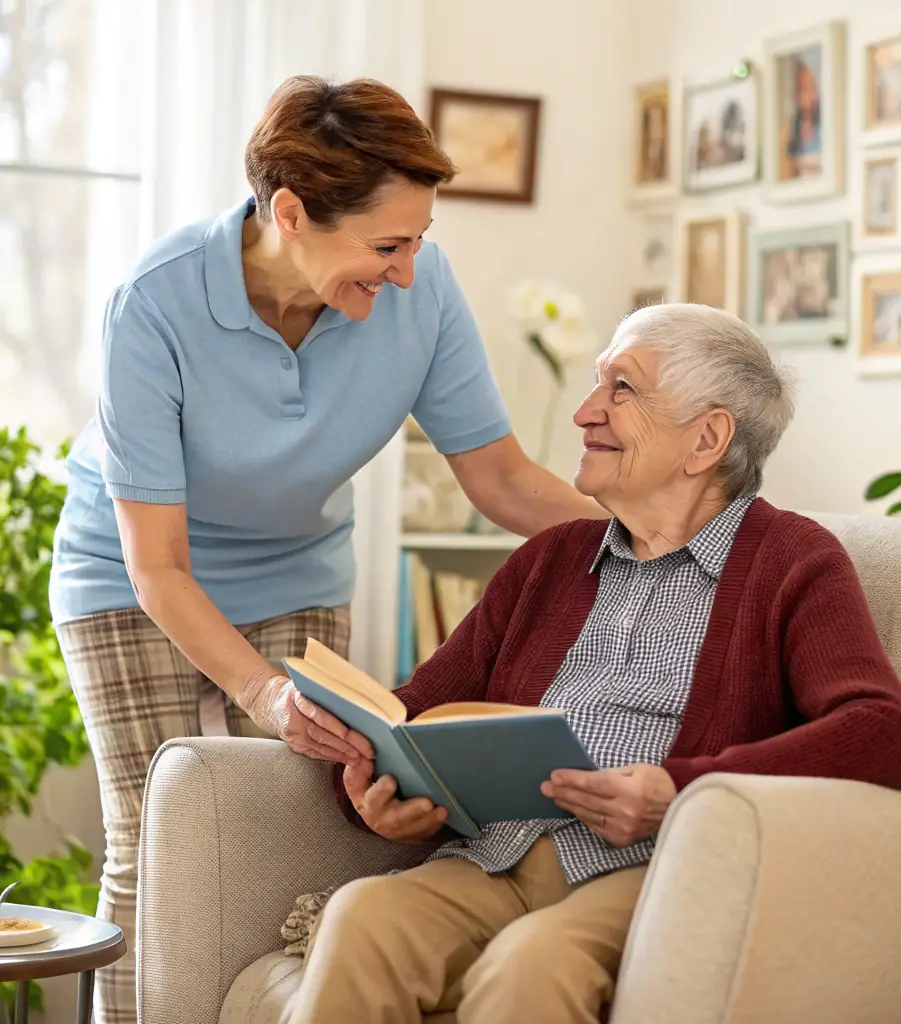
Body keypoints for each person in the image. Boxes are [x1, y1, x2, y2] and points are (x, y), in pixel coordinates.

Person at [49, 75, 603, 1024]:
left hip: (295, 571)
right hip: (132, 573)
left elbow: (501, 479)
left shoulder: (420, 293)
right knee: (151, 836)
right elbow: (160, 564)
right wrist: (261, 693)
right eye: (387, 245)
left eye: (419, 240)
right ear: (292, 213)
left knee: (302, 829)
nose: (407, 271)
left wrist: (647, 539)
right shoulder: (156, 302)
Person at [284, 303, 901, 1024]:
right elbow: (411, 713)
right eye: (598, 384)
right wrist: (376, 789)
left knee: (532, 965)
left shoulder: (792, 562)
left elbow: (882, 735)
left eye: (621, 388)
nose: (586, 412)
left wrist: (677, 790)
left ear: (707, 438)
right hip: (491, 859)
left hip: (646, 868)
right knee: (362, 916)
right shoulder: (548, 561)